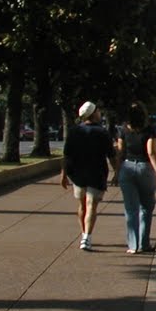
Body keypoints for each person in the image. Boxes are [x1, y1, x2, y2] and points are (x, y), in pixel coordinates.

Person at [61, 101, 119, 251]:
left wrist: (64, 174)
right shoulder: (102, 132)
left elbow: (67, 155)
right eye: (98, 111)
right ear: (93, 114)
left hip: (78, 174)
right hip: (97, 173)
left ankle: (84, 235)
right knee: (91, 205)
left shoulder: (74, 131)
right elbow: (111, 155)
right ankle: (87, 236)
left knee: (82, 204)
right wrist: (117, 172)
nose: (100, 113)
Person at [114, 101, 156, 254]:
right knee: (146, 208)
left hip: (127, 168)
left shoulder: (123, 129)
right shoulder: (149, 129)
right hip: (144, 168)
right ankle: (144, 243)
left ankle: (132, 246)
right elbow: (151, 152)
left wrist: (116, 172)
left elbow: (120, 152)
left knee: (130, 209)